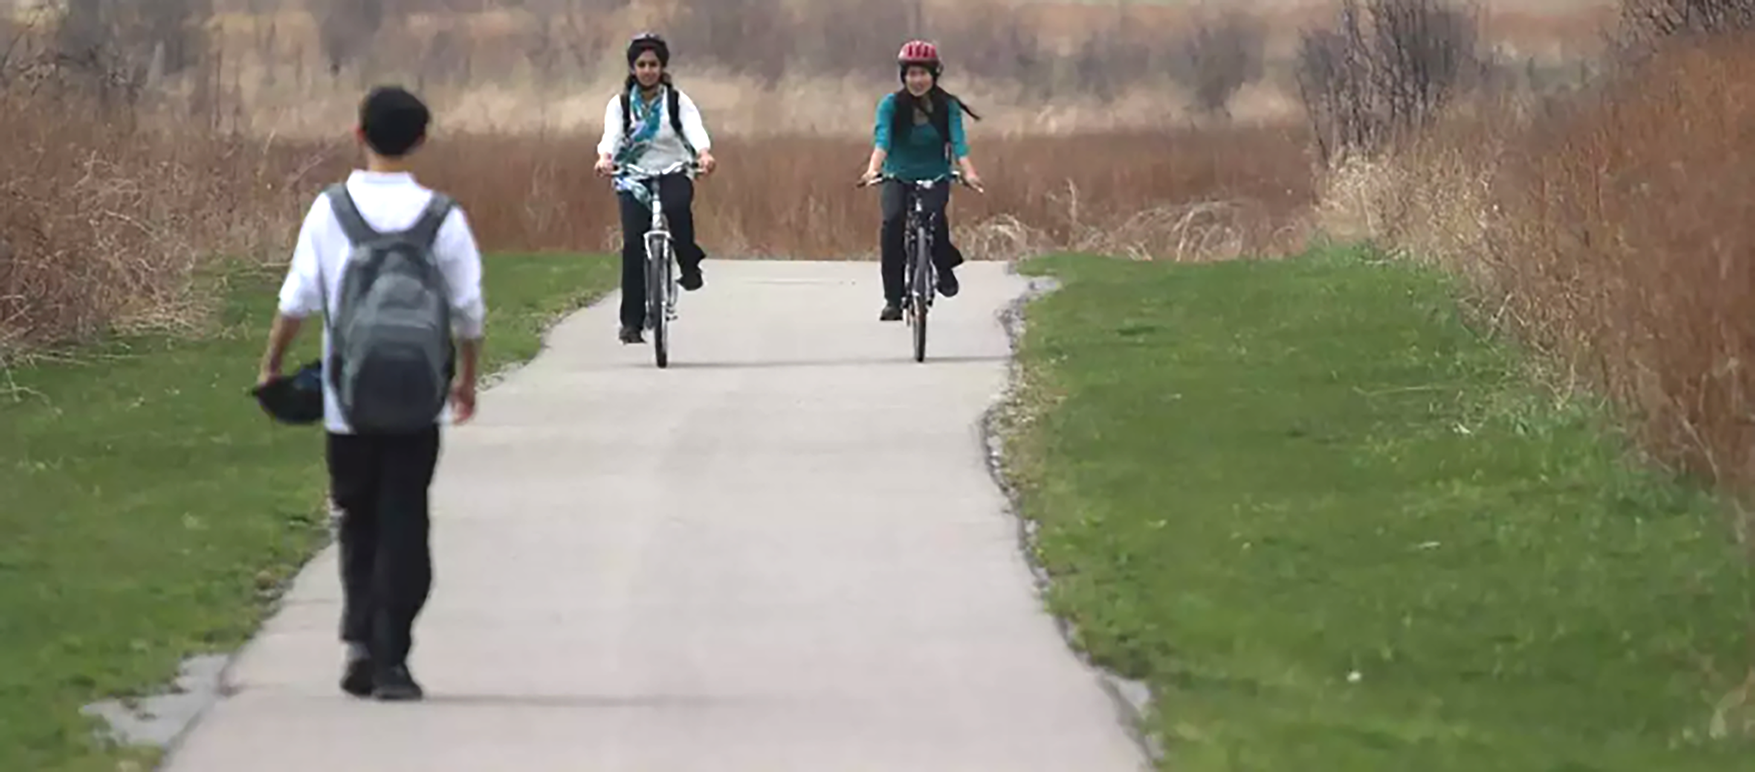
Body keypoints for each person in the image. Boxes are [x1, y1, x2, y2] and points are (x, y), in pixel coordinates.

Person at [256, 85, 487, 702]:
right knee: (405, 519)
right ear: (420, 141)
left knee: (358, 519)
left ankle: (359, 638)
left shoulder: (331, 211)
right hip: (419, 402)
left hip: (346, 405)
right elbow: (468, 314)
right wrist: (464, 381)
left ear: (359, 135)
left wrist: (271, 367)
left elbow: (296, 301)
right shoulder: (442, 217)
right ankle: (394, 658)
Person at [595, 32, 717, 345]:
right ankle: (631, 323)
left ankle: (688, 264)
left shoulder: (676, 101)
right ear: (632, 69)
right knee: (633, 244)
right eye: (642, 65)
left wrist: (703, 154)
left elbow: (694, 129)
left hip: (673, 169)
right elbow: (611, 136)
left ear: (662, 68)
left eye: (653, 64)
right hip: (633, 175)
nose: (647, 70)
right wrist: (605, 158)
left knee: (677, 208)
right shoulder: (620, 105)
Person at [859, 39, 984, 322]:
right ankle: (893, 298)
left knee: (933, 217)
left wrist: (970, 172)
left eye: (923, 73)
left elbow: (958, 142)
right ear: (903, 76)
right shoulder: (891, 105)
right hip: (896, 175)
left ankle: (943, 266)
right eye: (911, 74)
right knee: (892, 223)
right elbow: (883, 140)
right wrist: (872, 169)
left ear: (934, 74)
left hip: (935, 173)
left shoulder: (946, 106)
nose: (917, 80)